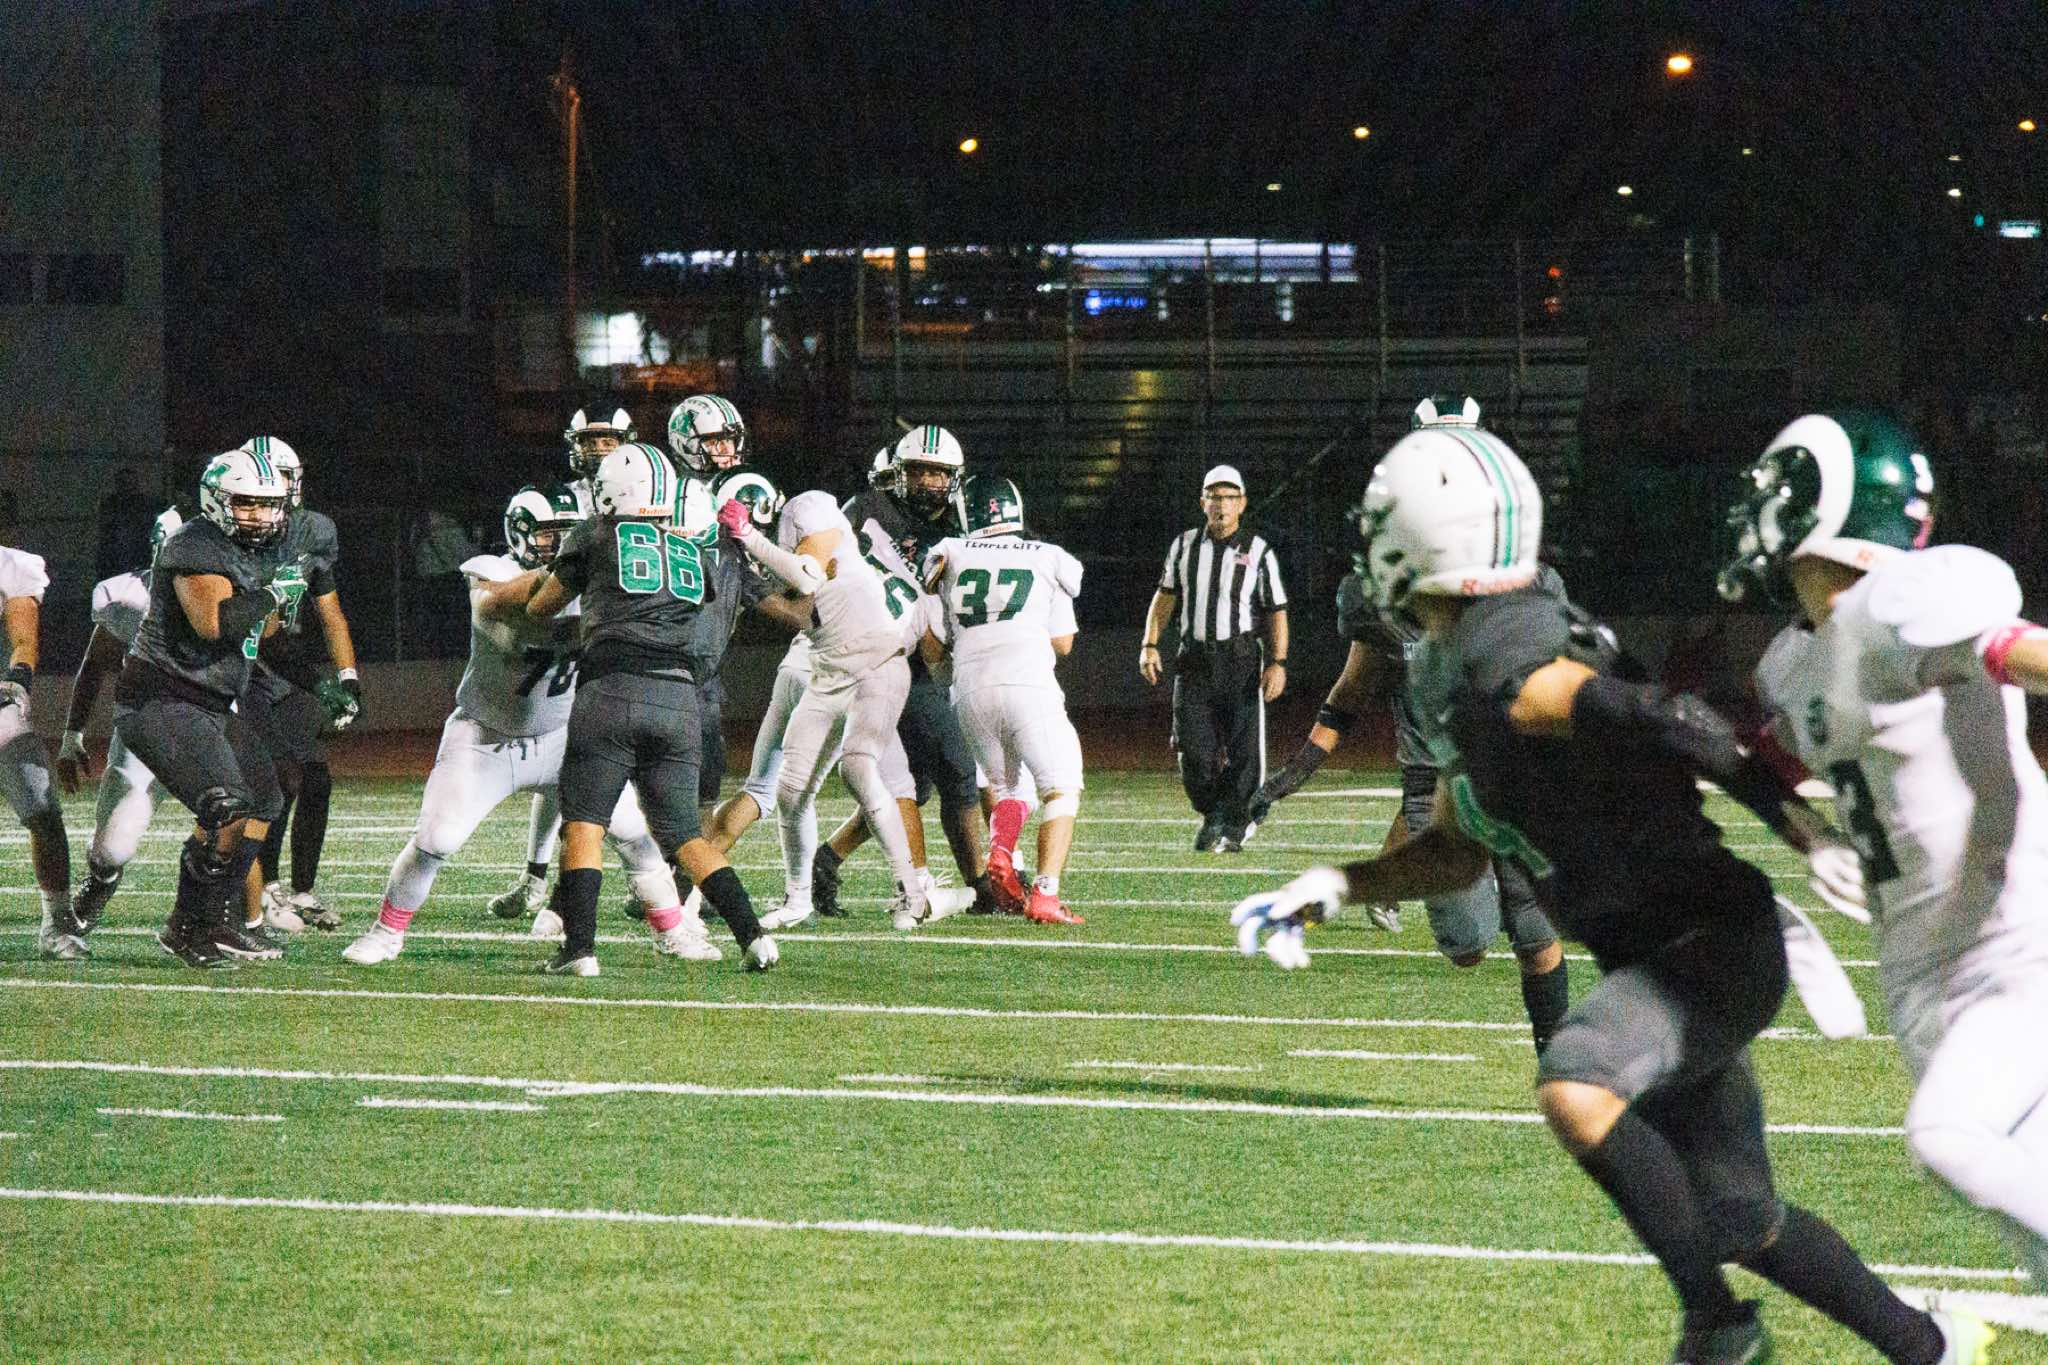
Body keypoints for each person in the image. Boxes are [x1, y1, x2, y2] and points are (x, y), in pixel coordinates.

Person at [1229, 424, 1990, 1364]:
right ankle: (1929, 1346)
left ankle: (1717, 1327)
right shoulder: (1468, 656)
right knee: (1741, 1217)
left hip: (1705, 944)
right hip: (1680, 946)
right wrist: (1339, 883)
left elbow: (1664, 715)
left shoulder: (1503, 653)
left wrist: (1797, 822)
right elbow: (1462, 846)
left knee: (1577, 1079)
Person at [1727, 407, 2048, 1303]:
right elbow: (1768, 761)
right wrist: (1810, 834)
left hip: (2016, 947)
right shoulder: (1798, 658)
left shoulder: (1903, 600)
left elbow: (2020, 653)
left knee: (1947, 1138)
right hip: (1919, 972)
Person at [1250, 399, 1571, 1051]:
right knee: (1467, 946)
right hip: (1437, 792)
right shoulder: (1385, 589)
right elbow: (1352, 689)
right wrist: (1297, 770)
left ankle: (1559, 1057)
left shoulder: (1530, 580)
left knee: (1535, 935)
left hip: (1517, 781)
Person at [342, 483, 713, 967]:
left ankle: (673, 931)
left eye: (570, 533)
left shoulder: (603, 583)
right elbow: (496, 609)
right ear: (518, 533)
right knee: (437, 839)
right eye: (548, 534)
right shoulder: (494, 570)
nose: (560, 543)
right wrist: (579, 569)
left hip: (564, 737)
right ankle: (386, 932)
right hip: (486, 737)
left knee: (636, 837)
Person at [525, 440, 776, 974]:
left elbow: (542, 606)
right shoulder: (690, 549)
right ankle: (754, 938)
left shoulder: (594, 533)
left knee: (584, 825)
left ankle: (579, 949)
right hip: (681, 698)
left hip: (612, 688)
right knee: (685, 835)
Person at [112, 448, 303, 967]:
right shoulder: (195, 543)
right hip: (162, 697)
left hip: (210, 702)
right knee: (225, 804)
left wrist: (278, 608)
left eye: (269, 505)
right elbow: (213, 624)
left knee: (264, 799)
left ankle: (215, 919)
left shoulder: (254, 550)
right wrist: (271, 597)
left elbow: (259, 633)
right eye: (247, 503)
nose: (260, 515)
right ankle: (184, 926)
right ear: (216, 500)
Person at [719, 476, 932, 929]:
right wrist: (748, 562)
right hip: (827, 669)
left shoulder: (807, 505)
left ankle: (913, 894)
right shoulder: (758, 553)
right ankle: (798, 900)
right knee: (790, 789)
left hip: (877, 661)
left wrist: (749, 538)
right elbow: (797, 612)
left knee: (858, 768)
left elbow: (805, 574)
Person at [810, 425, 992, 918]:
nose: (930, 481)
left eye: (939, 472)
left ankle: (827, 858)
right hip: (881, 657)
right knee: (947, 771)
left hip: (914, 659)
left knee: (920, 781)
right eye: (920, 471)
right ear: (897, 473)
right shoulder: (866, 509)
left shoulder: (957, 525)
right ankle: (970, 884)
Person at [485, 402, 634, 922]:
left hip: (616, 627)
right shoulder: (563, 499)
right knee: (567, 762)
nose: (600, 449)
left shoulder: (643, 489)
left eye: (609, 440)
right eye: (591, 440)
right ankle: (536, 878)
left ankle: (645, 879)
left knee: (608, 769)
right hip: (569, 627)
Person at [921, 474, 1086, 926]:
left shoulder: (948, 552)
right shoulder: (1048, 556)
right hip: (1028, 683)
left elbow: (933, 648)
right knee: (1062, 787)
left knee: (1012, 790)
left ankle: (1000, 851)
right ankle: (1046, 894)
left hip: (969, 691)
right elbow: (1063, 642)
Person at [234, 437, 360, 935]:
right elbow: (261, 634)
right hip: (241, 666)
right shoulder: (236, 538)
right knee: (277, 779)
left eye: (288, 478)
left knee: (315, 777)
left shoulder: (313, 532)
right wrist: (319, 682)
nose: (283, 489)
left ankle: (301, 889)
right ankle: (262, 889)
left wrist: (348, 677)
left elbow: (330, 610)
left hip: (284, 665)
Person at [1139, 463, 1287, 853]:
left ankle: (1234, 825)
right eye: (1214, 497)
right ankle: (1212, 812)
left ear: (1242, 503)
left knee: (1244, 752)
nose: (1221, 505)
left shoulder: (1258, 550)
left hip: (1240, 659)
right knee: (1193, 750)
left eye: (1229, 497)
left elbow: (1276, 609)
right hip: (1194, 661)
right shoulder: (1184, 545)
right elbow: (1165, 596)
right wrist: (1149, 644)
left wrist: (1278, 662)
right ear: (1202, 502)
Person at [53, 509, 187, 942]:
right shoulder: (128, 598)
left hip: (216, 723)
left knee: (238, 816)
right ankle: (102, 879)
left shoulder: (236, 588)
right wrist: (72, 735)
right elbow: (95, 665)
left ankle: (228, 918)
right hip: (147, 727)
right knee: (112, 849)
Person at [1, 533, 73, 959]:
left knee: (42, 810)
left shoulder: (11, 566)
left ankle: (57, 923)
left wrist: (17, 678)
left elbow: (24, 640)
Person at [94, 466, 155, 583]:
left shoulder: (144, 504)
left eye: (131, 483)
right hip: (114, 556)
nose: (127, 487)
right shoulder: (110, 504)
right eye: (124, 483)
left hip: (138, 554)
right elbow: (105, 529)